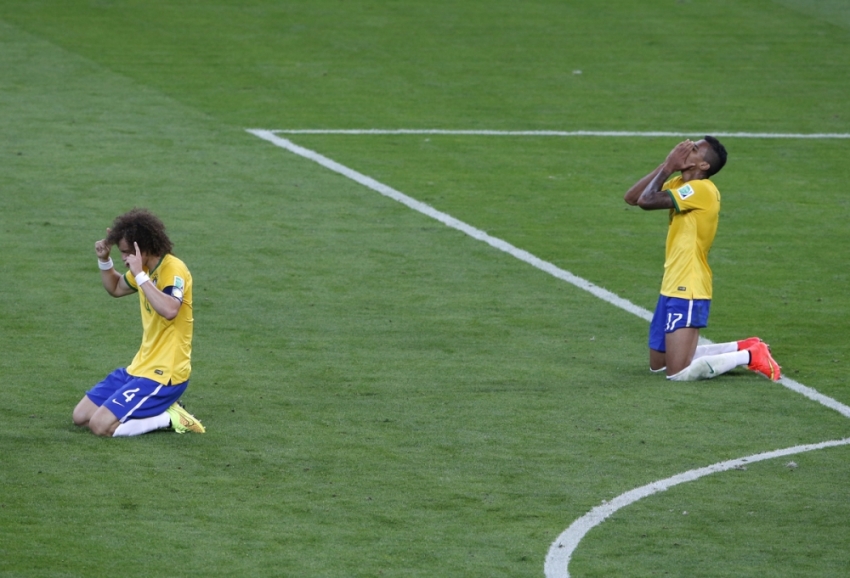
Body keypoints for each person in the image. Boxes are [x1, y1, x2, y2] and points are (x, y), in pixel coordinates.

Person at [624, 137, 780, 382]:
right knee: (659, 366)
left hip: (689, 285)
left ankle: (749, 355)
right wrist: (668, 166)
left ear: (704, 166)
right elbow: (632, 198)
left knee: (677, 373)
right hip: (672, 282)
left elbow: (646, 201)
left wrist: (667, 167)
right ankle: (741, 346)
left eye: (695, 149)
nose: (686, 148)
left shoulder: (702, 189)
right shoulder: (680, 183)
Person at [73, 208, 206, 436]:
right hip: (140, 367)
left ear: (142, 246)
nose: (123, 258)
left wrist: (140, 275)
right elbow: (115, 288)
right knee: (81, 417)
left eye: (126, 252)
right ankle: (158, 410)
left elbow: (170, 309)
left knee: (100, 426)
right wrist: (104, 261)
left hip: (166, 374)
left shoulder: (173, 269)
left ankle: (170, 417)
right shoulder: (142, 269)